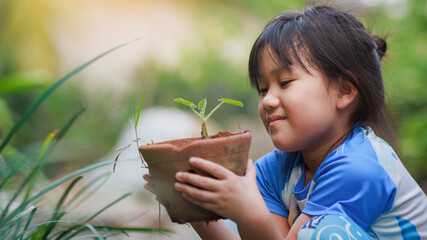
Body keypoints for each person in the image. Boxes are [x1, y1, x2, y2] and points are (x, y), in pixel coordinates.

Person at [143, 4, 427, 239]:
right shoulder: (278, 168)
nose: (267, 100)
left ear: (344, 90)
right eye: (263, 88)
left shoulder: (359, 166)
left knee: (323, 231)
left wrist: (249, 213)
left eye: (285, 82)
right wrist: (194, 206)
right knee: (237, 218)